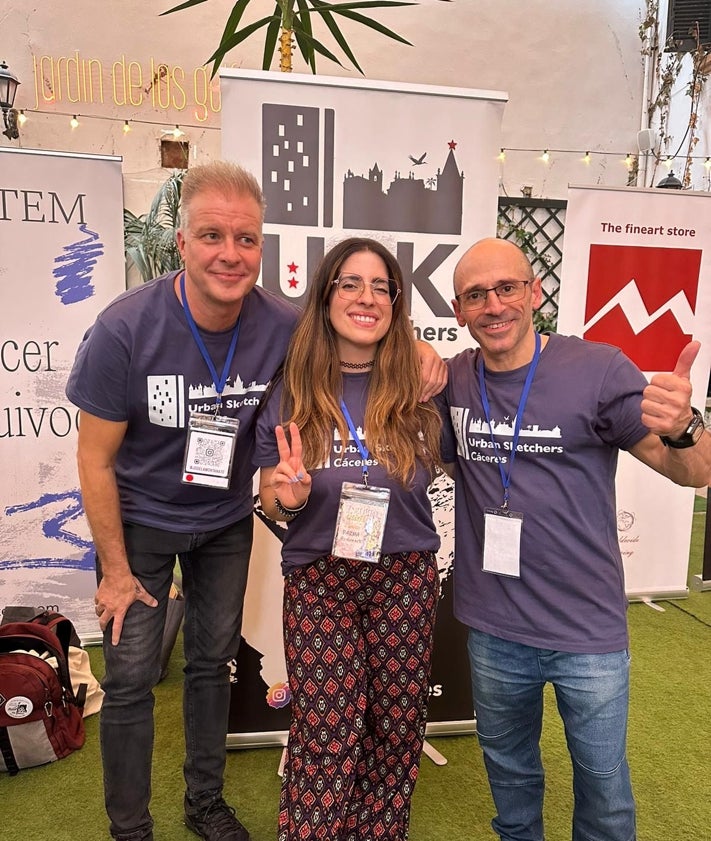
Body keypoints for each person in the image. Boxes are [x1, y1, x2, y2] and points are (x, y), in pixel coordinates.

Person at [66, 162, 446, 841]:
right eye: (211, 235)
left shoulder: (282, 324)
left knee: (211, 664)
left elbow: (355, 324)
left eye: (245, 239)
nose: (229, 253)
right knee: (128, 678)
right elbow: (93, 458)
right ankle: (130, 827)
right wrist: (116, 570)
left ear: (260, 249)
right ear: (181, 242)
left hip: (221, 524)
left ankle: (203, 803)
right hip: (139, 525)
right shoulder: (125, 329)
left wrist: (415, 344)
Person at [438, 237, 711, 841]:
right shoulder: (452, 380)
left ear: (535, 293)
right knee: (511, 783)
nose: (494, 305)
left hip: (586, 631)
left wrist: (688, 428)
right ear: (458, 311)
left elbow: (694, 471)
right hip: (492, 626)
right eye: (475, 295)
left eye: (507, 288)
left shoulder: (596, 368)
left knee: (604, 792)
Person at [253, 237, 444, 841]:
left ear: (396, 303)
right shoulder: (291, 388)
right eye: (351, 284)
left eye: (381, 287)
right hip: (320, 579)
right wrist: (288, 494)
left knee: (395, 726)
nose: (367, 297)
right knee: (328, 727)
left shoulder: (421, 384)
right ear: (327, 295)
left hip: (405, 577)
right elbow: (270, 498)